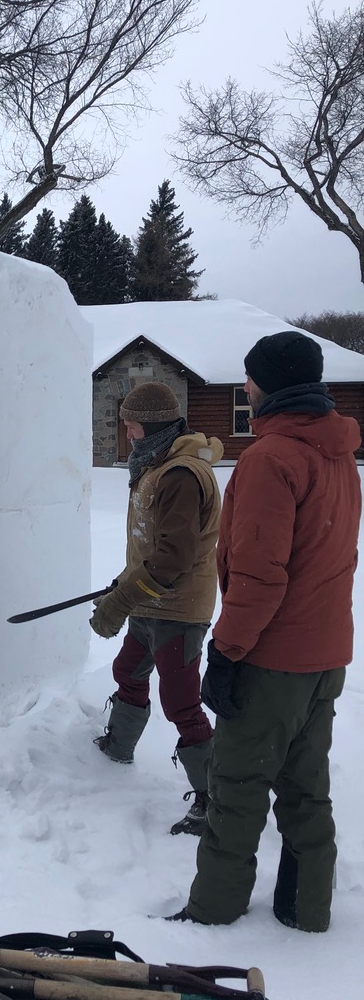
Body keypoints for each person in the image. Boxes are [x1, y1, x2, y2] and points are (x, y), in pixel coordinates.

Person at [171, 330, 361, 932]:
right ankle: (307, 911)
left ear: (270, 385)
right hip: (326, 654)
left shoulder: (269, 458)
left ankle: (213, 910)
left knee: (238, 788)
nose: (245, 388)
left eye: (250, 378)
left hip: (272, 658)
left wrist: (225, 654)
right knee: (306, 789)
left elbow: (258, 576)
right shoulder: (338, 453)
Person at [91, 382, 223, 835]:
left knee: (181, 702)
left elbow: (174, 557)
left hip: (178, 607)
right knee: (128, 669)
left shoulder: (180, 476)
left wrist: (119, 601)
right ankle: (119, 746)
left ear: (150, 425)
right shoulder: (157, 464)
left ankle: (212, 801)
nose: (128, 433)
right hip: (151, 598)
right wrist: (124, 587)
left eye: (131, 425)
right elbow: (154, 547)